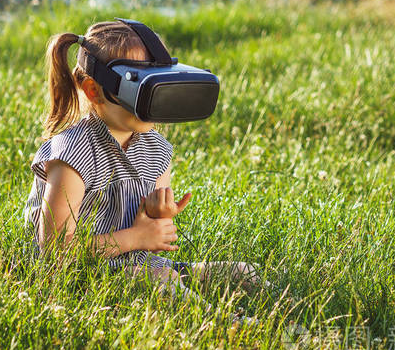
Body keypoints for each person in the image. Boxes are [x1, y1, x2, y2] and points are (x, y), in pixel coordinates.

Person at [24, 20, 276, 322]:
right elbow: (56, 252)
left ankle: (291, 313)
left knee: (243, 271)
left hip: (137, 264)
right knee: (162, 281)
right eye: (142, 89)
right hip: (78, 279)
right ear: (94, 90)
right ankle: (227, 327)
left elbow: (150, 227)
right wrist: (136, 236)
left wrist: (159, 215)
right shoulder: (72, 154)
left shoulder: (156, 148)